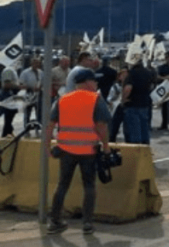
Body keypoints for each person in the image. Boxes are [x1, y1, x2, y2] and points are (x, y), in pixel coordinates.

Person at [46, 69, 111, 235]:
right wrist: (106, 145)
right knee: (89, 185)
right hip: (88, 150)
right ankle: (87, 224)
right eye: (95, 81)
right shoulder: (96, 99)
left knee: (62, 185)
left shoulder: (63, 99)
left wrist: (47, 146)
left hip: (65, 150)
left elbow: (50, 124)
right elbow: (101, 125)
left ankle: (54, 221)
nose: (96, 84)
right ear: (87, 82)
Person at [121, 60, 154, 144]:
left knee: (134, 129)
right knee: (144, 128)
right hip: (145, 103)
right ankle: (145, 147)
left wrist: (123, 99)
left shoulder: (131, 73)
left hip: (132, 103)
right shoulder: (148, 73)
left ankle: (136, 150)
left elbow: (128, 88)